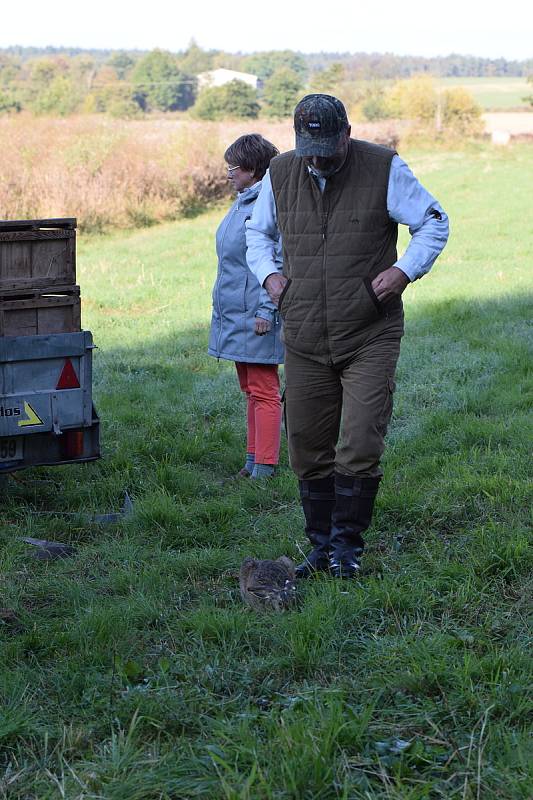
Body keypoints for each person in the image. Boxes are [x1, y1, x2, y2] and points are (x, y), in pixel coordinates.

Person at [246, 94, 449, 576]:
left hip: (369, 331)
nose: (316, 157)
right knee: (307, 447)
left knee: (359, 442)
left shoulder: (383, 168)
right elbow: (257, 234)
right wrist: (269, 277)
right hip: (304, 333)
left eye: (325, 145)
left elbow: (433, 223)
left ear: (346, 132)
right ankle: (320, 547)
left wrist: (404, 271)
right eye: (307, 146)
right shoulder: (280, 172)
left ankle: (347, 550)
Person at [208, 134, 284, 479]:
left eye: (233, 167)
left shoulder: (268, 205)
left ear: (253, 169)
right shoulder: (242, 201)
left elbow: (276, 262)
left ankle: (265, 467)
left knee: (265, 391)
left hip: (257, 315)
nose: (228, 174)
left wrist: (266, 311)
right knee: (250, 390)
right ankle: (252, 460)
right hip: (235, 314)